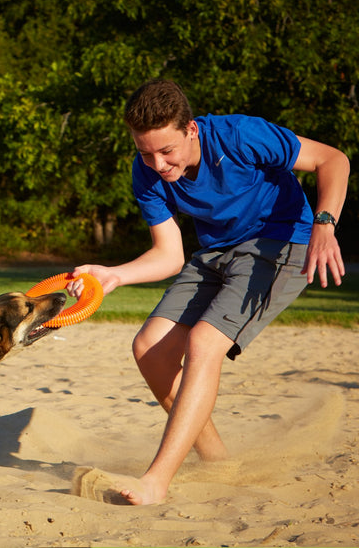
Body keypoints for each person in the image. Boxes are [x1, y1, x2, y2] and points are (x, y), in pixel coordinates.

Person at [68, 79, 350, 506]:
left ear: (192, 130)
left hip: (283, 244)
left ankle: (156, 480)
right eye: (146, 152)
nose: (158, 164)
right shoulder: (145, 171)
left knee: (204, 342)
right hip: (216, 253)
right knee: (149, 348)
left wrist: (325, 224)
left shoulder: (239, 136)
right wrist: (114, 275)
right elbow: (168, 255)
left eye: (167, 151)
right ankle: (219, 462)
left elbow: (333, 159)